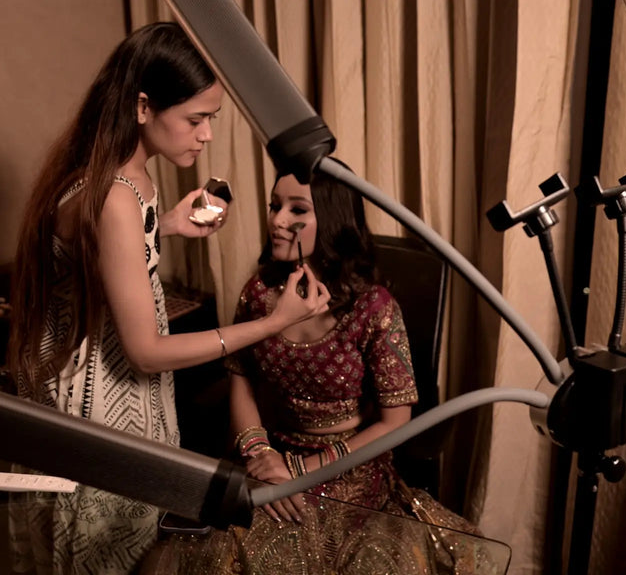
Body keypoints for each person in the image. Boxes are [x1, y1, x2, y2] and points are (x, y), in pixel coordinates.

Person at [6, 22, 330, 575]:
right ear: (141, 107)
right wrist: (273, 323)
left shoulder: (132, 180)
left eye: (212, 120)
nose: (205, 136)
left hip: (133, 414)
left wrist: (168, 226)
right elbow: (147, 351)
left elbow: (109, 252)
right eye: (195, 119)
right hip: (96, 424)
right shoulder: (113, 195)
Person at [141, 169, 500, 574]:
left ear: (330, 218)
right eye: (275, 206)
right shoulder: (258, 294)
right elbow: (240, 382)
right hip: (269, 455)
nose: (277, 220)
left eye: (297, 209)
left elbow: (396, 422)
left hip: (349, 467)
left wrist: (296, 473)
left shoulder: (374, 309)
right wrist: (262, 456)